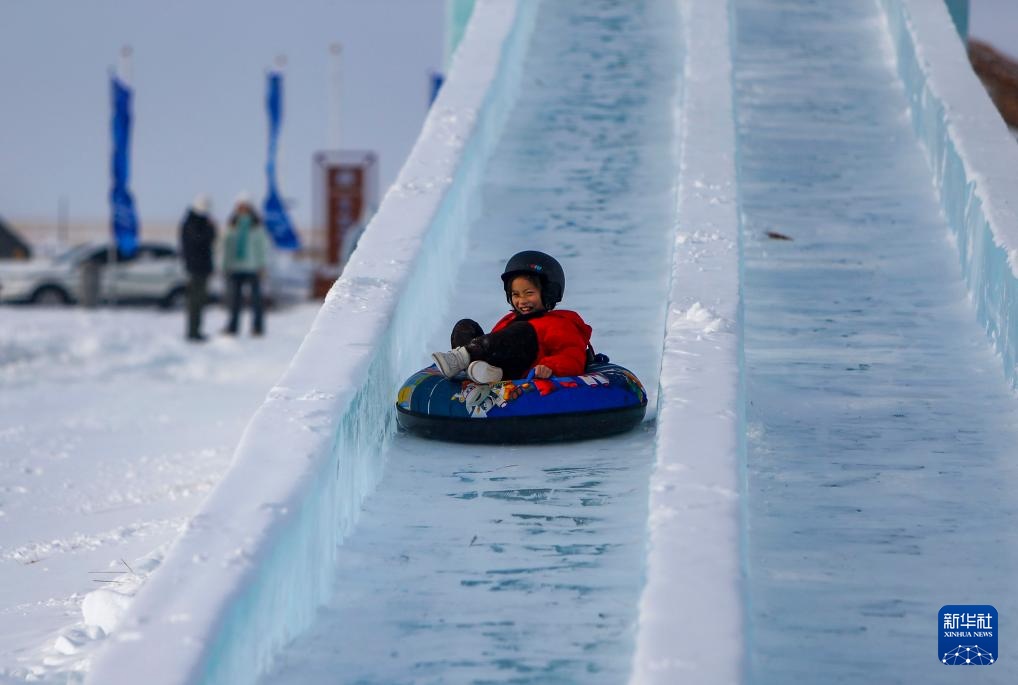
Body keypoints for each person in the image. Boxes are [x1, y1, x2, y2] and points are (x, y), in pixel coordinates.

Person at [431, 250, 592, 384]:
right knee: (465, 326)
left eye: (529, 293)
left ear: (548, 293)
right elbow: (495, 344)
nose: (522, 301)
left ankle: (462, 358)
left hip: (523, 373)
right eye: (516, 294)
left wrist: (549, 366)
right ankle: (478, 369)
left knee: (523, 331)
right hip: (491, 369)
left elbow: (573, 356)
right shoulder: (508, 320)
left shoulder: (559, 324)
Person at [222, 193, 271, 336]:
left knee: (256, 300)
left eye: (244, 206)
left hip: (253, 267)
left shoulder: (256, 226)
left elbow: (262, 247)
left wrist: (262, 265)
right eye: (240, 206)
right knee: (234, 300)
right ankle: (232, 327)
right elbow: (227, 247)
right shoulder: (232, 225)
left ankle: (257, 327)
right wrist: (225, 265)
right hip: (235, 267)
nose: (242, 208)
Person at [179, 193, 217, 342]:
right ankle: (193, 332)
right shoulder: (192, 223)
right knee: (195, 301)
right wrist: (209, 229)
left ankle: (196, 330)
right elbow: (200, 241)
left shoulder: (197, 222)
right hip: (195, 268)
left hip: (201, 267)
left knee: (200, 301)